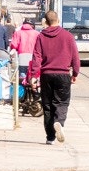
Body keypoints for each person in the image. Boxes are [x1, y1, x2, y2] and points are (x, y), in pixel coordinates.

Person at [32, 10, 80, 145]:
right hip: (63, 74)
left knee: (47, 106)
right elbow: (75, 57)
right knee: (62, 102)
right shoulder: (68, 36)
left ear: (46, 22)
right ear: (58, 20)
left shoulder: (41, 37)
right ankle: (59, 122)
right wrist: (75, 73)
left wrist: (34, 76)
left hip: (46, 75)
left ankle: (50, 137)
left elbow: (37, 57)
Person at [13, 19, 38, 84]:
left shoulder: (18, 33)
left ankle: (23, 91)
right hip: (33, 57)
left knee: (22, 75)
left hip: (22, 56)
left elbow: (14, 45)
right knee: (33, 74)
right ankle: (32, 90)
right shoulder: (37, 33)